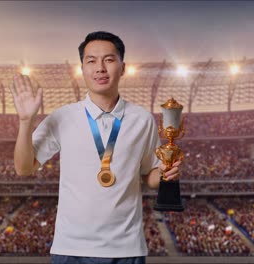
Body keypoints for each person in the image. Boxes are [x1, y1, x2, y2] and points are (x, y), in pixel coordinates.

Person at [10, 31, 181, 264]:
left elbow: (147, 177)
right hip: (70, 248)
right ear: (82, 69)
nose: (100, 68)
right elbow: (23, 168)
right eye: (91, 61)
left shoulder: (142, 119)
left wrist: (163, 173)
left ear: (123, 67)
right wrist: (25, 121)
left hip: (126, 249)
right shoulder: (63, 116)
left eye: (109, 60)